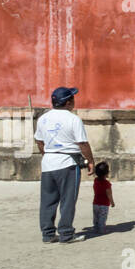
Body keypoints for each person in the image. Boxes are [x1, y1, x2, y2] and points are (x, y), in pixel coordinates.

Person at [35, 86, 95, 244]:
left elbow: (39, 141)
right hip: (67, 163)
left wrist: (47, 155)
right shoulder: (73, 119)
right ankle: (66, 234)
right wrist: (91, 161)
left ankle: (47, 234)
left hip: (48, 162)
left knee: (48, 201)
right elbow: (82, 143)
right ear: (68, 102)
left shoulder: (43, 118)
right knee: (68, 200)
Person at [92, 161, 115, 235]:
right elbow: (109, 194)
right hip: (104, 204)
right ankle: (101, 230)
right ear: (107, 173)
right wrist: (112, 202)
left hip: (95, 203)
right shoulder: (107, 184)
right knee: (102, 218)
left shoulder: (95, 181)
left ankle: (95, 228)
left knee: (96, 217)